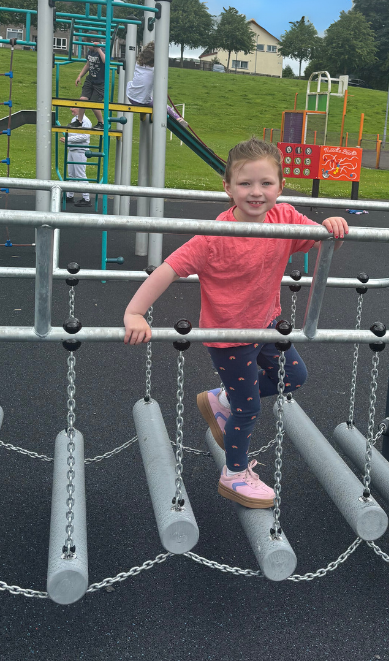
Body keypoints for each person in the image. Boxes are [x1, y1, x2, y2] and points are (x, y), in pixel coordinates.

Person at [123, 138, 348, 508]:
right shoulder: (215, 236)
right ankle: (234, 474)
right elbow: (168, 269)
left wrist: (331, 230)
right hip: (230, 337)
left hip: (266, 324)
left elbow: (323, 246)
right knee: (249, 409)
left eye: (266, 183)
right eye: (245, 183)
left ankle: (221, 399)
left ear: (280, 186)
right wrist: (134, 313)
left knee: (294, 376)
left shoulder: (285, 217)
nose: (256, 192)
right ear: (228, 187)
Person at [126, 41, 189, 127]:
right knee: (164, 106)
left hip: (130, 96)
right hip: (142, 101)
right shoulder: (154, 70)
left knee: (135, 86)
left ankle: (143, 113)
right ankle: (178, 118)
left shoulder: (138, 64)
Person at [59, 107, 92, 207]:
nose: (71, 109)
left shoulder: (86, 121)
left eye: (73, 107)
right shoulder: (74, 120)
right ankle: (69, 196)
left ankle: (86, 198)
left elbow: (85, 136)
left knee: (80, 175)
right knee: (71, 174)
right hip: (72, 149)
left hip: (80, 150)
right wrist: (68, 140)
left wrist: (69, 139)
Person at [75, 40, 106, 129]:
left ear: (93, 42)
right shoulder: (90, 52)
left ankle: (101, 123)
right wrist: (80, 76)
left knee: (94, 104)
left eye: (89, 44)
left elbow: (105, 61)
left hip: (99, 82)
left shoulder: (102, 50)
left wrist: (98, 49)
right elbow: (88, 65)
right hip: (90, 79)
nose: (87, 46)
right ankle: (79, 121)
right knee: (83, 99)